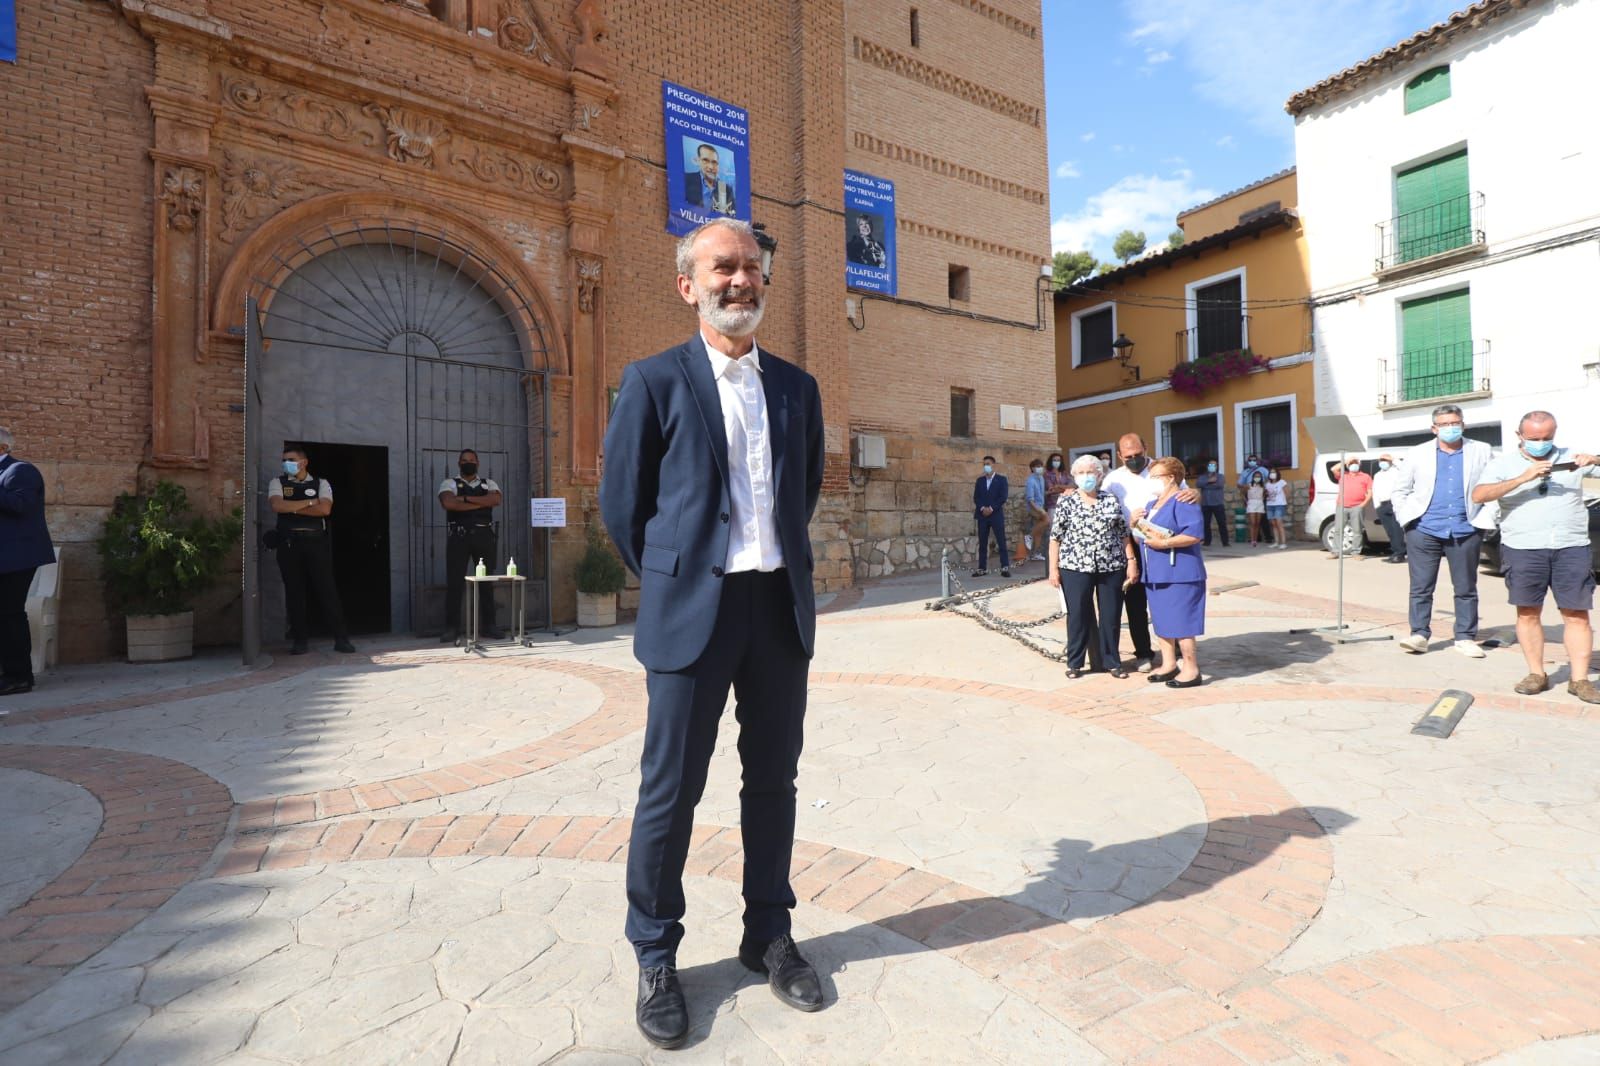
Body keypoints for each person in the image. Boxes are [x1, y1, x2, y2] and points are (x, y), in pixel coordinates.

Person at [599, 218, 827, 1049]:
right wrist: (680, 574)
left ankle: (767, 932)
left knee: (773, 784)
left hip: (776, 609)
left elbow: (797, 499)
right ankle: (656, 952)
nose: (741, 281)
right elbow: (623, 509)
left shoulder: (798, 389)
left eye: (753, 269)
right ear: (688, 285)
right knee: (671, 791)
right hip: (693, 611)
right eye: (722, 268)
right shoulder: (653, 381)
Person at [1470, 411, 1600, 703]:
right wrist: (1522, 478)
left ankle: (1579, 680)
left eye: (1547, 438)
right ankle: (1536, 674)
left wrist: (1596, 460)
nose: (1542, 443)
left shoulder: (1571, 457)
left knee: (1577, 614)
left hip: (1571, 547)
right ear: (1520, 436)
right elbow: (1479, 495)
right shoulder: (1502, 463)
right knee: (1528, 613)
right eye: (1534, 439)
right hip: (1524, 548)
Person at [1389, 404, 1495, 657]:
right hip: (1424, 528)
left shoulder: (1481, 450)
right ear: (1434, 428)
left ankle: (1465, 636)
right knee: (1421, 586)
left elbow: (1494, 485)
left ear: (1463, 424)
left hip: (1466, 528)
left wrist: (1489, 516)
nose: (1450, 428)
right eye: (1445, 424)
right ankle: (1419, 633)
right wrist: (1407, 520)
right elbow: (1400, 490)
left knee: (1466, 586)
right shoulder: (1417, 453)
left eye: (1455, 423)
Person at [1102, 432, 1200, 672]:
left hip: (1168, 544)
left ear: (1145, 449)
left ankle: (1176, 652)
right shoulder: (1112, 480)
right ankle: (1143, 652)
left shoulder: (1161, 468)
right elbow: (1101, 505)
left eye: (1138, 454)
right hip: (1132, 544)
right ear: (1119, 456)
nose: (1134, 459)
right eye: (1128, 456)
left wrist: (1197, 493)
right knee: (1135, 603)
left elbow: (1185, 494)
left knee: (1168, 600)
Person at [1048, 455, 1137, 679]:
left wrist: (1131, 561)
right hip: (1075, 566)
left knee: (1111, 615)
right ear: (1075, 476)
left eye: (1091, 472)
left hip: (1111, 565)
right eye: (1082, 473)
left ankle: (1112, 661)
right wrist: (1053, 569)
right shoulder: (1066, 501)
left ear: (1099, 475)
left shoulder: (1111, 499)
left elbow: (1123, 534)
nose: (1087, 477)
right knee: (1077, 615)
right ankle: (1075, 662)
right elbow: (1055, 538)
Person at [268, 446, 356, 656]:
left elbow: (325, 509)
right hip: (289, 543)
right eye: (284, 460)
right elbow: (277, 506)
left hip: (316, 543)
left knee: (327, 590)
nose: (285, 463)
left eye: (290, 459)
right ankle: (300, 641)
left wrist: (294, 506)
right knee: (294, 592)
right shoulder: (277, 482)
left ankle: (341, 639)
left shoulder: (321, 483)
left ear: (304, 462)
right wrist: (309, 502)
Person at [1133, 456, 1207, 687]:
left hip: (1180, 572)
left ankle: (1191, 669)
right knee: (1162, 621)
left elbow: (1195, 534)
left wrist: (1166, 544)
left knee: (1182, 622)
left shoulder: (1183, 500)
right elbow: (1142, 537)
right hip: (1155, 573)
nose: (1151, 481)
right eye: (1150, 477)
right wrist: (1133, 523)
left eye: (1156, 477)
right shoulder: (1150, 506)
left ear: (1172, 477)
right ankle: (1168, 664)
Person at [0, 428, 55, 696]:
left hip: (16, 557)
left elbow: (19, 505)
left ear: (2, 447)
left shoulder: (21, 470)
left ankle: (19, 677)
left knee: (10, 614)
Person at [438, 448, 503, 642]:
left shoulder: (488, 483)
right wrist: (482, 503)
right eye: (465, 460)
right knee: (455, 582)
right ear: (459, 463)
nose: (468, 463)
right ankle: (451, 628)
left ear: (477, 463)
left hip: (484, 536)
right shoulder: (448, 483)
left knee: (486, 583)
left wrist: (464, 499)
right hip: (459, 537)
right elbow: (449, 504)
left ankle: (489, 626)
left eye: (472, 460)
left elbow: (496, 499)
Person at [972, 454, 1010, 578]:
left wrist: (991, 508)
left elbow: (1002, 497)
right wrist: (983, 508)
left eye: (988, 464)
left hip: (996, 515)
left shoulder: (1001, 480)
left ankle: (1005, 567)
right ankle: (982, 568)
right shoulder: (980, 481)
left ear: (993, 465)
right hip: (982, 515)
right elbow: (976, 497)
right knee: (982, 543)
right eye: (984, 464)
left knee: (1001, 541)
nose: (986, 466)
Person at [1329, 458, 1373, 556]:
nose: (1354, 465)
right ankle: (1336, 552)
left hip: (1357, 506)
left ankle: (1356, 552)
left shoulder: (1365, 477)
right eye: (1352, 464)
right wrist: (1346, 461)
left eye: (1356, 463)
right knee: (1338, 530)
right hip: (1342, 506)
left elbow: (1370, 492)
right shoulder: (1343, 476)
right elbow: (1333, 469)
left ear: (1359, 465)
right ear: (1348, 466)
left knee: (1357, 530)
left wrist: (1363, 504)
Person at [1372, 453, 1406, 564]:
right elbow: (1375, 491)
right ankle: (1394, 552)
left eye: (1385, 460)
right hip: (1382, 505)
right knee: (1390, 531)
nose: (1383, 462)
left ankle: (1400, 554)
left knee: (1397, 531)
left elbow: (1405, 468)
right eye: (1381, 460)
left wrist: (1393, 459)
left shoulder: (1396, 471)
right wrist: (1377, 506)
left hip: (1394, 503)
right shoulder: (1378, 475)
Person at [684, 143, 736, 215]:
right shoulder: (686, 179)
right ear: (698, 161)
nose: (711, 167)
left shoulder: (725, 189)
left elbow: (731, 219)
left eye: (714, 162)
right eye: (705, 160)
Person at [1238, 453, 1272, 544]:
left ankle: (1268, 537)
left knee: (1263, 518)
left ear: (1257, 461)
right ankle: (1256, 538)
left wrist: (1265, 488)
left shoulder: (1263, 469)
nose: (1252, 462)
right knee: (1252, 520)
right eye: (1250, 460)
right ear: (1247, 461)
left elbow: (1270, 479)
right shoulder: (1245, 472)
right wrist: (1245, 486)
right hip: (1250, 495)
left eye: (1254, 460)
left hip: (1260, 494)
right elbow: (1239, 484)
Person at [1195, 459, 1229, 547]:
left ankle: (1225, 542)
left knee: (1221, 523)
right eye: (1210, 465)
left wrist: (1206, 485)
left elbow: (1219, 485)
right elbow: (1198, 484)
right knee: (1206, 524)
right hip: (1205, 504)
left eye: (1214, 465)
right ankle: (1207, 541)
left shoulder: (1220, 476)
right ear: (1207, 467)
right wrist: (1209, 481)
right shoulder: (1203, 477)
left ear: (1217, 467)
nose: (1212, 467)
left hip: (1218, 503)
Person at [1023, 458, 1048, 564]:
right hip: (1034, 507)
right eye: (1037, 466)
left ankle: (1035, 554)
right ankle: (1029, 536)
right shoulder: (1030, 480)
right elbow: (1030, 499)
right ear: (1032, 468)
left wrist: (1049, 492)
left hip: (1040, 505)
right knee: (1047, 520)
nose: (1040, 468)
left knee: (1040, 531)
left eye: (1041, 466)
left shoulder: (1041, 478)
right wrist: (1040, 510)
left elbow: (1041, 494)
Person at [1043, 451, 1073, 520]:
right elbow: (1052, 489)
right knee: (1052, 527)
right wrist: (1066, 489)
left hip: (1065, 503)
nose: (1056, 462)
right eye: (1054, 460)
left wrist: (1058, 486)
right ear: (1051, 461)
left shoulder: (1064, 474)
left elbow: (1073, 486)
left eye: (1058, 460)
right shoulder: (1047, 474)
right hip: (1052, 505)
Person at [1264, 468, 1289, 550]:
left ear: (1277, 473)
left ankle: (1283, 543)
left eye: (1274, 472)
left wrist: (1285, 503)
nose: (1272, 473)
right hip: (1270, 505)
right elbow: (1266, 494)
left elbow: (1287, 492)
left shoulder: (1282, 482)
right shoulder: (1267, 484)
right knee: (1273, 524)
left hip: (1279, 505)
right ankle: (1276, 542)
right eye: (1271, 472)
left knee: (1279, 523)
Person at [1245, 471, 1266, 547]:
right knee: (1253, 522)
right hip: (1251, 503)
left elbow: (1265, 494)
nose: (1257, 478)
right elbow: (1242, 492)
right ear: (1253, 477)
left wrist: (1262, 499)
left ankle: (1255, 540)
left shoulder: (1263, 486)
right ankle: (1252, 539)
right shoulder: (1249, 485)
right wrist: (1246, 501)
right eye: (1256, 476)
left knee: (1257, 523)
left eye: (1259, 476)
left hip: (1260, 503)